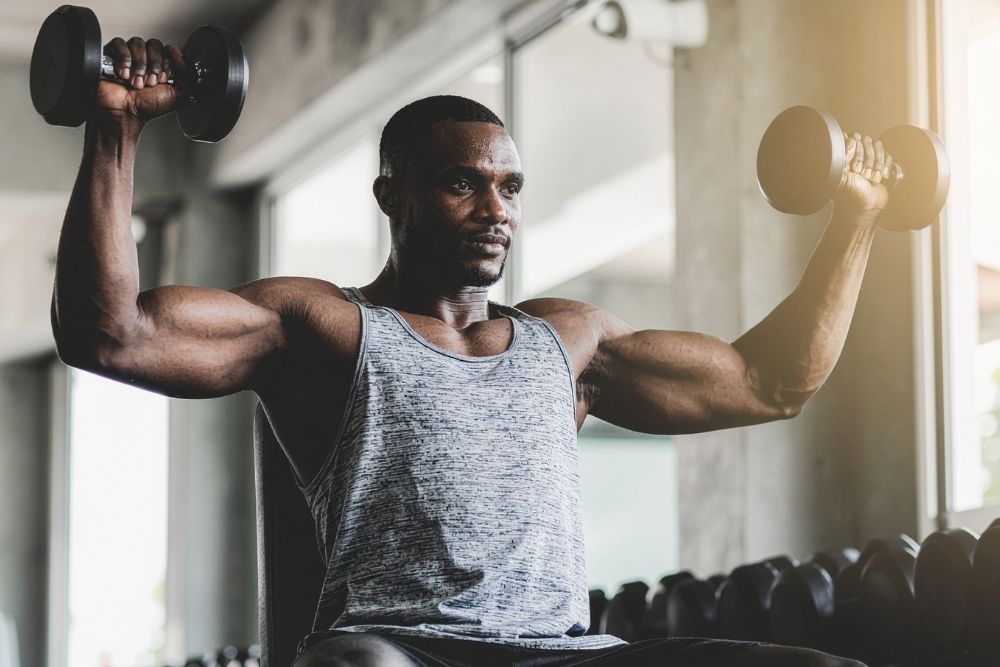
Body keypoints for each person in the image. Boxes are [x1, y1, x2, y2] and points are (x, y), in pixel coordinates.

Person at [52, 38, 887, 667]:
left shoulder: (569, 341)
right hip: (401, 650)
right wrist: (116, 128)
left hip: (560, 650)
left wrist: (858, 217)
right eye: (463, 183)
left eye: (510, 186)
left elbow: (774, 380)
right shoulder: (327, 328)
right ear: (393, 196)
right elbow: (112, 332)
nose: (495, 208)